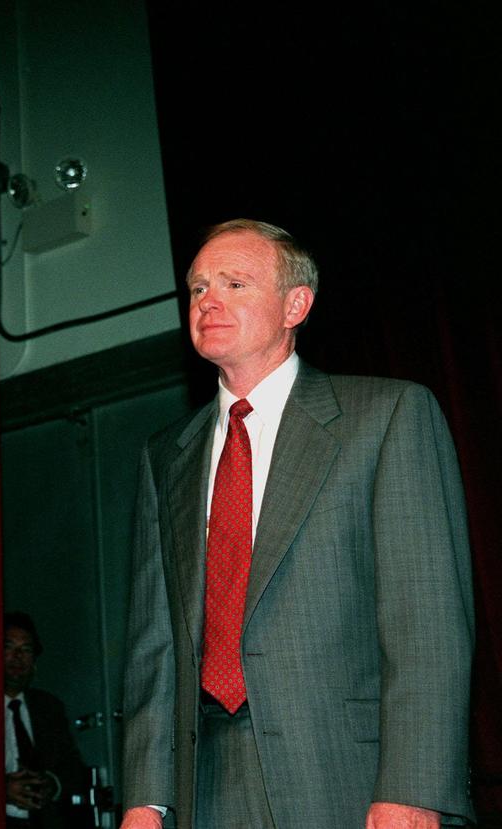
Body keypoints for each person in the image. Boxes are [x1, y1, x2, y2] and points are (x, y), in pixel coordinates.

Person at [120, 220, 474, 829]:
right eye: (198, 287)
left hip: (349, 778)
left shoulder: (386, 416)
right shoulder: (166, 455)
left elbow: (428, 622)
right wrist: (145, 801)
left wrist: (414, 791)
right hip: (204, 787)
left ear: (296, 305)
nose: (209, 300)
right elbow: (154, 649)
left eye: (234, 283)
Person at [5, 611, 88, 829]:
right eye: (9, 647)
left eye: (26, 650)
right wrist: (2, 789)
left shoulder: (48, 708)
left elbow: (73, 769)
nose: (18, 657)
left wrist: (52, 784)